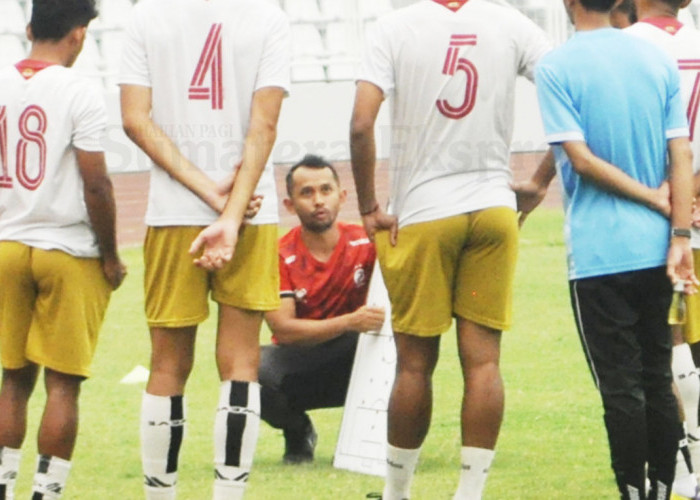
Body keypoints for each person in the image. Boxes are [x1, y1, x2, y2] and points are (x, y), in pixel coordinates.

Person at [350, 1, 551, 498]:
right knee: (484, 362)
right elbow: (577, 96)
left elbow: (360, 124)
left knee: (414, 364)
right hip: (493, 205)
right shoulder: (509, 21)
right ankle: (470, 493)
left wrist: (370, 206)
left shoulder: (394, 26)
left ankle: (398, 493)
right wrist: (540, 180)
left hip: (424, 211)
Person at [118, 0, 290, 498]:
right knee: (240, 362)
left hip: (173, 212)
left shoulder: (145, 16)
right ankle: (229, 493)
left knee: (167, 363)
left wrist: (205, 192)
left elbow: (135, 119)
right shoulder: (268, 17)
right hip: (251, 213)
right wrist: (231, 213)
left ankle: (160, 493)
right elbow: (265, 127)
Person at [534, 0, 696, 497]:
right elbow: (680, 151)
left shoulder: (556, 66)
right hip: (658, 247)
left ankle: (631, 490)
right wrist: (679, 233)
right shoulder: (654, 61)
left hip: (599, 252)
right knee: (655, 376)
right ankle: (665, 489)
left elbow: (579, 159)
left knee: (620, 388)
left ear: (569, 3)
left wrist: (648, 195)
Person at [0, 0, 126, 498]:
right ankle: (45, 493)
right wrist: (112, 255)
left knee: (13, 379)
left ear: (29, 28)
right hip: (67, 247)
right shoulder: (80, 90)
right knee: (63, 385)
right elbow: (97, 185)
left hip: (8, 244)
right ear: (79, 34)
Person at [619, 3, 700, 497]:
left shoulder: (629, 48)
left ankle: (685, 473)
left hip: (660, 218)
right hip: (691, 210)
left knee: (664, 348)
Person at [259, 154, 384, 464]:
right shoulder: (278, 255)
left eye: (326, 190)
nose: (318, 201)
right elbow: (284, 330)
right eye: (306, 193)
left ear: (341, 197)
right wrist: (351, 321)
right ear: (290, 205)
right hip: (304, 360)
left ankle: (381, 443)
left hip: (358, 356)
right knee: (250, 370)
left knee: (408, 348)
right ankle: (297, 430)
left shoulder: (367, 244)